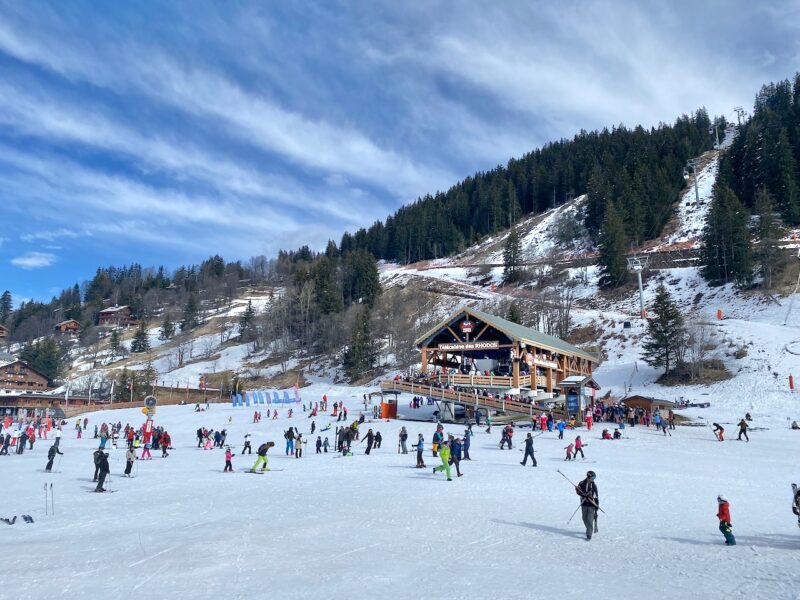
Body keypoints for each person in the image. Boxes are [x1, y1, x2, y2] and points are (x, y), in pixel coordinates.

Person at [576, 471, 599, 540]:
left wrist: (596, 505)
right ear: (589, 477)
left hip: (591, 505)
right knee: (584, 518)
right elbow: (578, 491)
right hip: (584, 504)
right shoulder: (582, 483)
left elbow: (596, 496)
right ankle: (589, 528)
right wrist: (582, 494)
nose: (593, 479)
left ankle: (589, 533)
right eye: (592, 478)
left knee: (589, 519)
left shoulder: (594, 485)